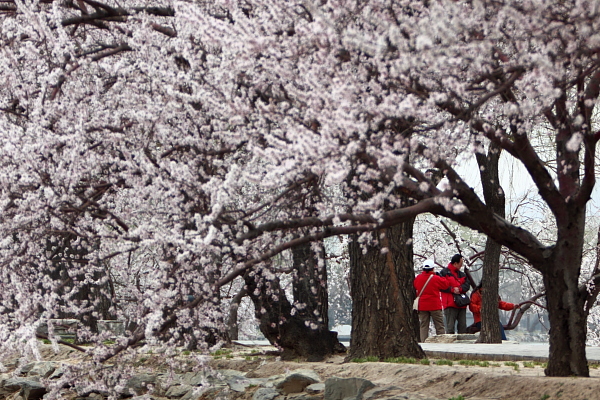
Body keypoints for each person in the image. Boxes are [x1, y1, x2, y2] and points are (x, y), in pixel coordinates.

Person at [413, 259, 451, 342]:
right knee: (439, 325)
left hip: (422, 305)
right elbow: (446, 285)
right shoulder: (436, 278)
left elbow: (415, 287)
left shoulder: (418, 278)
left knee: (423, 326)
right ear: (433, 268)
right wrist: (441, 276)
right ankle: (441, 342)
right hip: (434, 305)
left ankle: (423, 343)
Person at [439, 254, 471, 334]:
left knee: (462, 327)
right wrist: (452, 289)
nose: (461, 266)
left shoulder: (462, 274)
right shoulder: (444, 273)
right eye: (460, 264)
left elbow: (467, 285)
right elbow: (440, 286)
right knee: (450, 328)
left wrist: (459, 289)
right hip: (450, 304)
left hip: (461, 304)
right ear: (455, 263)